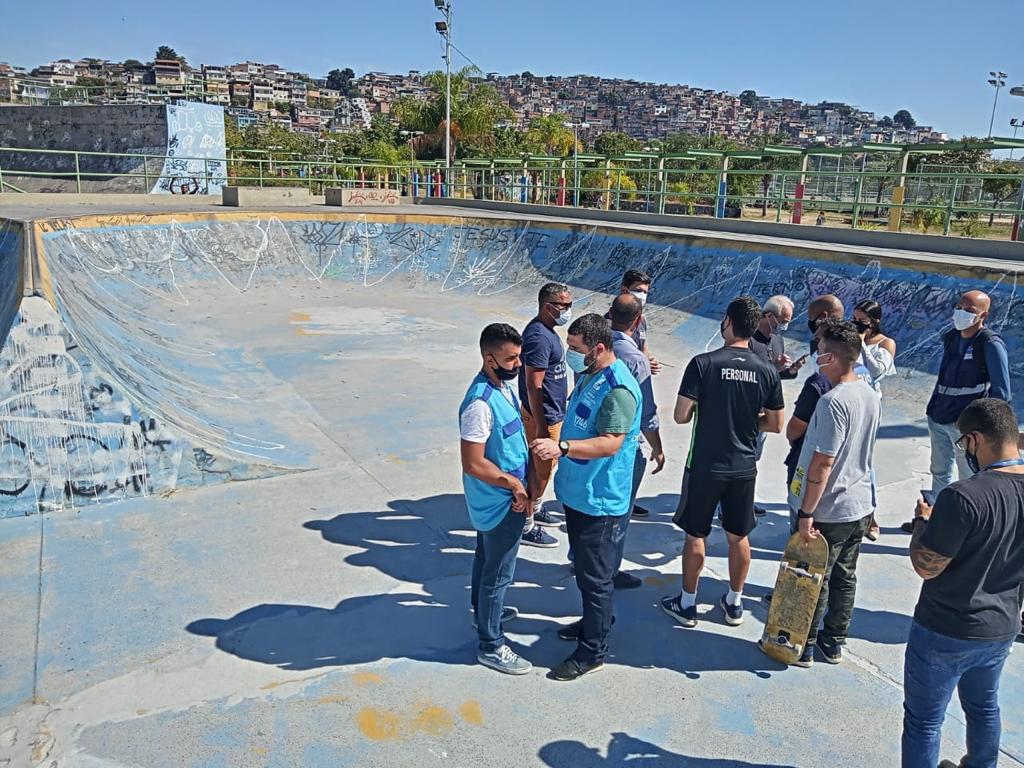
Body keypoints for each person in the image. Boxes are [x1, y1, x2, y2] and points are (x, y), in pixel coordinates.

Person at [902, 398, 1024, 768]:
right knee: (984, 707)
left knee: (924, 722)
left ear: (975, 440)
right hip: (1000, 627)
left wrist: (923, 523)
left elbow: (927, 566)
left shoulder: (963, 496)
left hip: (945, 628)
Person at [660, 296, 784, 629]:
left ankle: (687, 604)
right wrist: (747, 420)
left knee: (695, 535)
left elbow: (681, 416)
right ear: (755, 326)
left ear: (728, 321)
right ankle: (734, 602)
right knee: (738, 536)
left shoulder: (703, 364)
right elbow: (775, 424)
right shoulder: (767, 370)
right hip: (743, 466)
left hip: (704, 464)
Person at [531, 313, 642, 681]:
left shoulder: (617, 389)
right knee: (584, 570)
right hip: (580, 493)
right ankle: (595, 621)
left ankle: (593, 650)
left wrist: (561, 448)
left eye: (576, 349)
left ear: (599, 348)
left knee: (596, 578)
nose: (570, 355)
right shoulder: (590, 374)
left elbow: (610, 444)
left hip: (600, 500)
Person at [785, 320, 880, 668]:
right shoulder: (870, 395)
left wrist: (807, 512)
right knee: (845, 576)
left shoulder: (832, 402)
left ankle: (804, 646)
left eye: (820, 350)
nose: (816, 354)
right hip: (859, 503)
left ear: (833, 357)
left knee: (815, 578)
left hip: (829, 508)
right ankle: (834, 642)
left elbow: (823, 463)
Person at [902, 291, 1012, 533]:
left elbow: (1001, 393)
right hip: (938, 415)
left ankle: (967, 528)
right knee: (939, 470)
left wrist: (983, 426)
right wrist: (933, 410)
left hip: (965, 426)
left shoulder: (989, 344)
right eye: (959, 307)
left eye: (969, 311)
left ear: (984, 315)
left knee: (968, 476)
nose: (961, 313)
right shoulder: (951, 337)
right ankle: (936, 519)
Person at [459, 323, 533, 675]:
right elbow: (473, 463)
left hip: (502, 496)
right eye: (511, 359)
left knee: (486, 558)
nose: (518, 364)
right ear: (490, 359)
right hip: (500, 501)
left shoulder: (503, 388)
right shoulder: (479, 405)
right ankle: (491, 644)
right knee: (499, 572)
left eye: (519, 356)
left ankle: (484, 613)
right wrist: (514, 486)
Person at [608, 294, 666, 588]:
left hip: (593, 439)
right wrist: (657, 447)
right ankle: (609, 570)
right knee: (619, 511)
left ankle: (580, 557)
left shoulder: (597, 345)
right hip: (624, 446)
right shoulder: (634, 360)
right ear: (638, 320)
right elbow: (647, 412)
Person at [783, 294, 846, 534]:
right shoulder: (859, 379)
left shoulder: (818, 383)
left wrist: (805, 514)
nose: (815, 345)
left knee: (802, 505)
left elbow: (795, 428)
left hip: (810, 452)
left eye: (818, 343)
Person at [518, 282, 572, 548]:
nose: (568, 310)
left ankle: (536, 507)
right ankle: (525, 525)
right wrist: (540, 425)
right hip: (545, 417)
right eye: (564, 305)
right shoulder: (538, 337)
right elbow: (533, 385)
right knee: (538, 472)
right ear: (548, 306)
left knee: (546, 469)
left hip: (553, 414)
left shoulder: (548, 331)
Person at [748, 294, 805, 516]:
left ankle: (745, 499)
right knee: (741, 457)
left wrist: (790, 371)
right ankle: (729, 504)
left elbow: (775, 375)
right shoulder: (750, 340)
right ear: (769, 315)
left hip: (766, 410)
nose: (784, 326)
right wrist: (774, 366)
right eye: (782, 321)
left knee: (754, 458)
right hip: (748, 408)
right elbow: (749, 374)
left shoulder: (777, 340)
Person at [851, 299, 897, 541]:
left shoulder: (886, 343)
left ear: (874, 322)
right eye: (854, 319)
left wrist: (861, 344)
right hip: (849, 399)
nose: (857, 324)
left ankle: (870, 513)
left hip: (870, 404)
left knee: (864, 459)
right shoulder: (851, 337)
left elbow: (878, 370)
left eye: (862, 321)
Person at [606, 268, 662, 375]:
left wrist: (648, 361)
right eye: (638, 290)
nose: (642, 296)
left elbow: (643, 348)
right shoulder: (608, 324)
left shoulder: (642, 321)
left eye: (645, 292)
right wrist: (641, 364)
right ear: (624, 290)